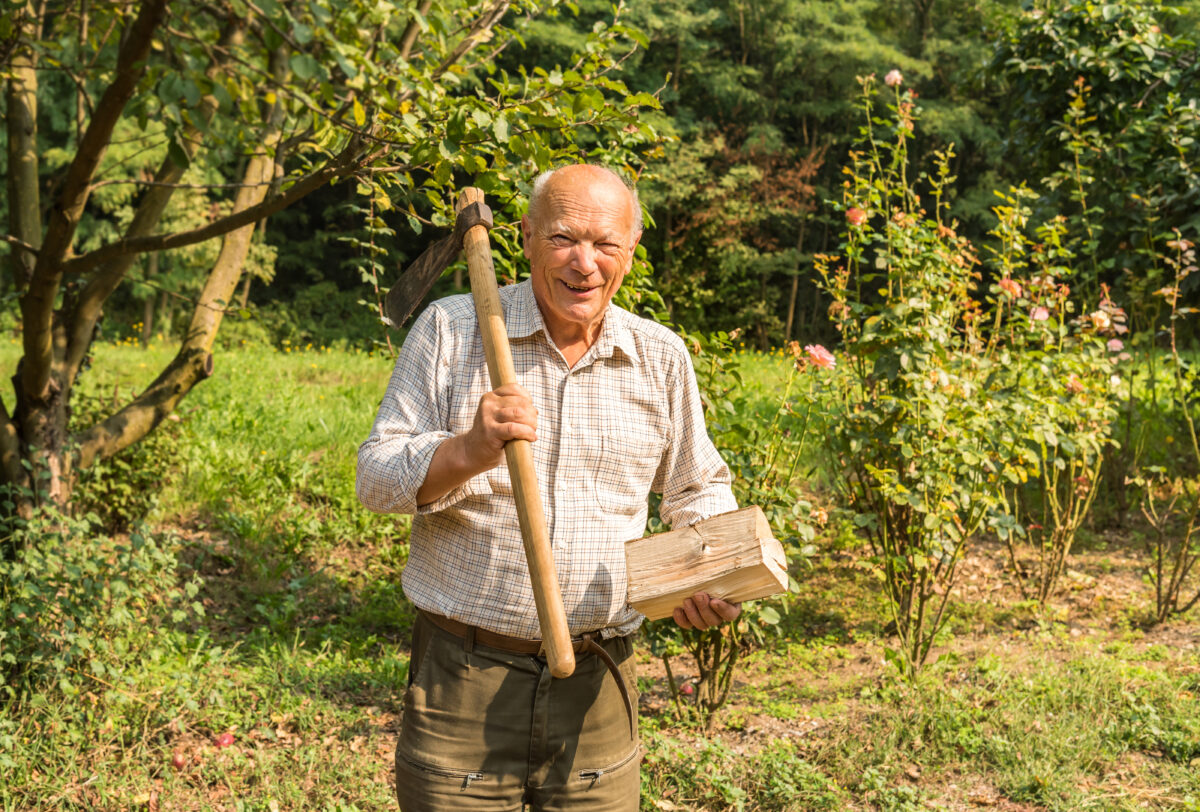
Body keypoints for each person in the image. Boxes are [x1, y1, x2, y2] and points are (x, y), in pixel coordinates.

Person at [357, 164, 740, 812]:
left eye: (605, 243)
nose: (584, 263)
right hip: (464, 681)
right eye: (563, 238)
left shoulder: (660, 356)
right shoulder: (454, 329)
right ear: (527, 237)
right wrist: (466, 451)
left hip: (599, 683)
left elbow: (698, 489)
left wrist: (712, 570)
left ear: (631, 251)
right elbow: (376, 478)